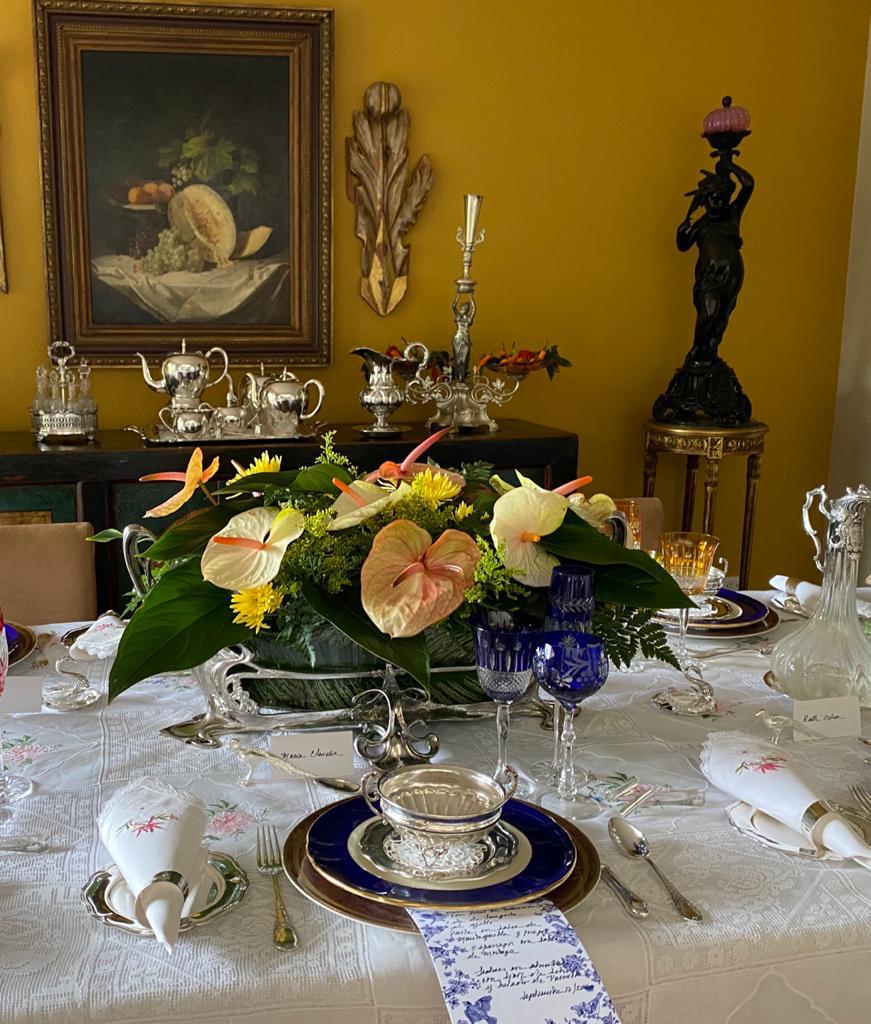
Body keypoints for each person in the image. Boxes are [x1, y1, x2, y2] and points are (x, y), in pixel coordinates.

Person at [676, 158, 754, 366]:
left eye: (723, 200)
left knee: (721, 316)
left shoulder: (732, 215)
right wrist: (681, 233)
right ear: (704, 201)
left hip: (732, 275)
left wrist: (729, 166)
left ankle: (709, 352)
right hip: (710, 276)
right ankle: (697, 350)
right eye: (714, 200)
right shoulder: (702, 224)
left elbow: (748, 184)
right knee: (709, 311)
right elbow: (683, 246)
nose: (719, 204)